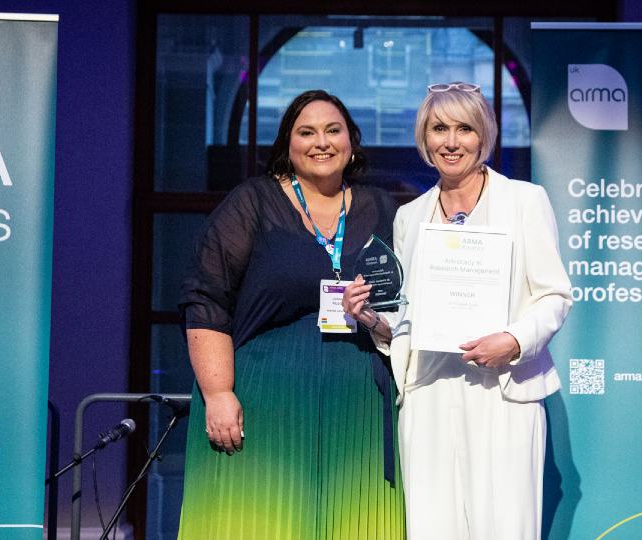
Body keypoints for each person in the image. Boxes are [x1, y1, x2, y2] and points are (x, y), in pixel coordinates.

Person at [343, 82, 572, 539]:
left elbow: (555, 296)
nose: (451, 141)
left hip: (502, 392)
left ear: (483, 135)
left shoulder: (524, 200)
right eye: (439, 129)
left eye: (464, 129)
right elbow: (406, 313)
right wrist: (371, 318)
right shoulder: (411, 216)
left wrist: (514, 341)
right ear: (424, 138)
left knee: (504, 527)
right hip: (430, 390)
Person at [177, 89, 405, 539]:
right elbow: (206, 298)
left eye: (333, 130)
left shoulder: (383, 208)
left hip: (358, 400)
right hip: (265, 395)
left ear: (351, 142)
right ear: (288, 144)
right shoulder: (253, 202)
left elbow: (406, 302)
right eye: (307, 132)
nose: (321, 142)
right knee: (258, 520)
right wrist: (218, 393)